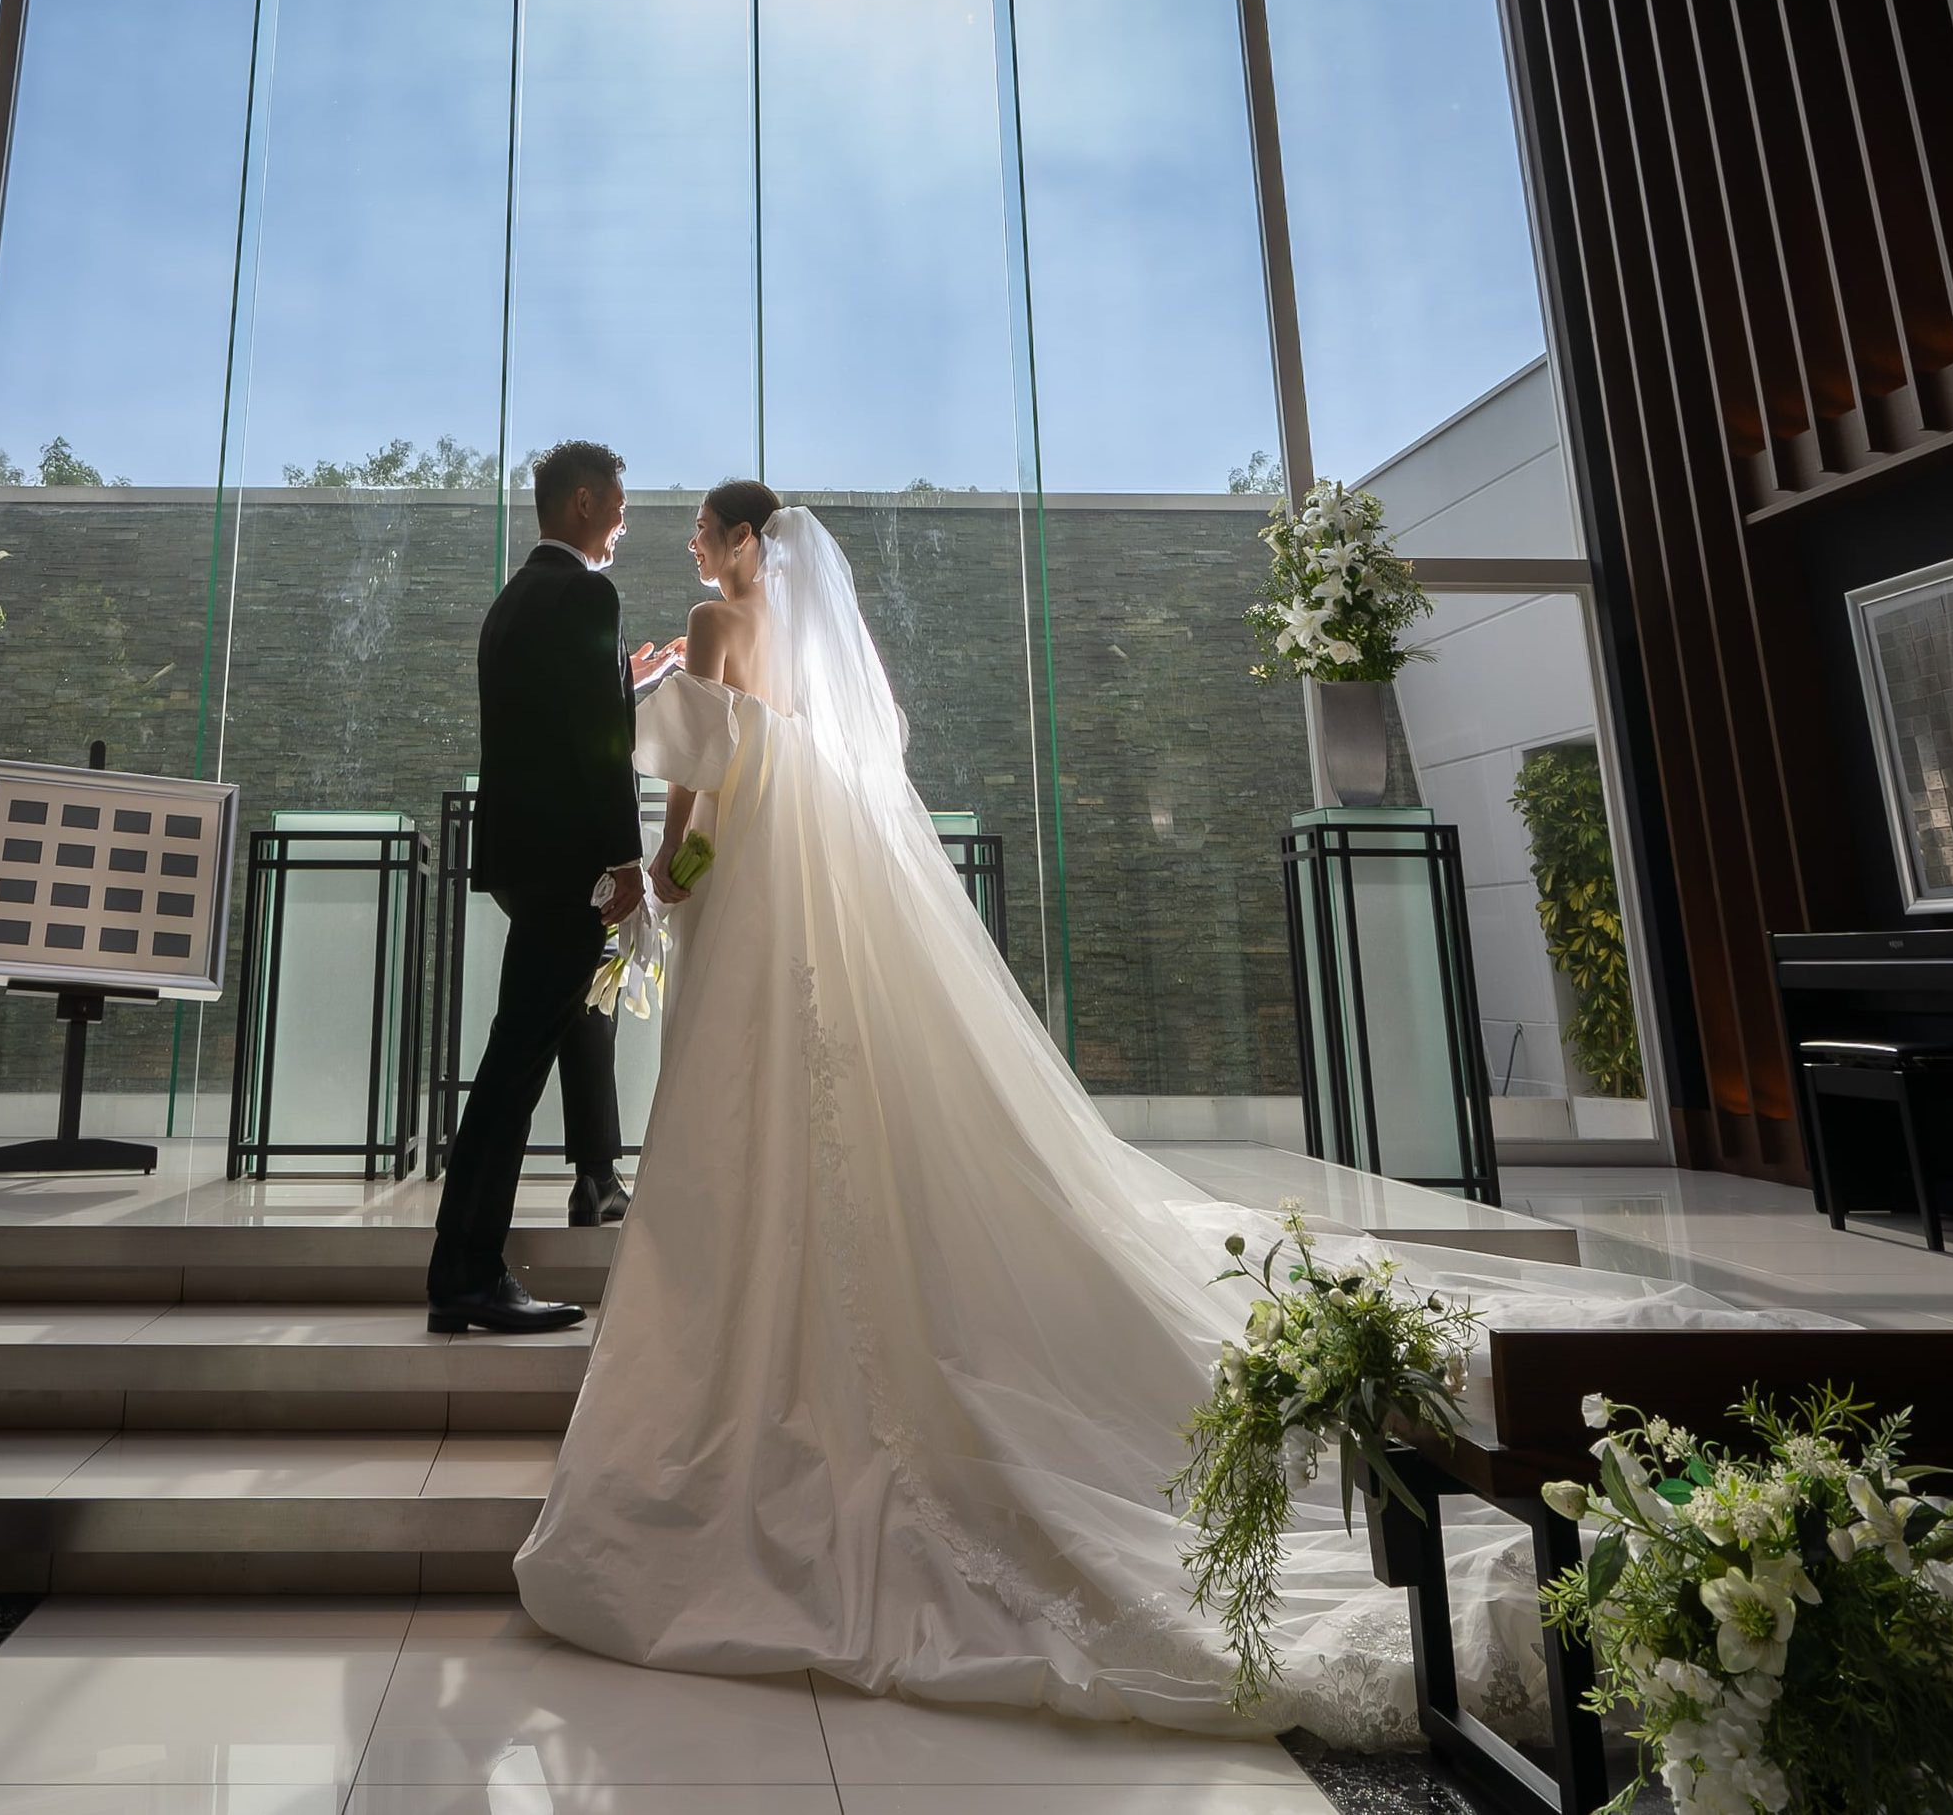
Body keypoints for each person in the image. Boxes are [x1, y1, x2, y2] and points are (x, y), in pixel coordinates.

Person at [514, 485, 1779, 1739]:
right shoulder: (794, 639)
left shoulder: (713, 619)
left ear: (745, 540)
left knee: (750, 1092)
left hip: (748, 882)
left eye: (705, 531)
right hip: (808, 879)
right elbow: (786, 740)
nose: (692, 545)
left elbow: (703, 778)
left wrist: (666, 861)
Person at [425, 439, 676, 1335]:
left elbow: (557, 715)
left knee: (520, 1055)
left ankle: (492, 1252)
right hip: (572, 867)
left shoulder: (514, 600)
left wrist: (626, 679)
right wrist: (623, 859)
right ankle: (466, 1275)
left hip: (519, 863)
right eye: (620, 506)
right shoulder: (587, 594)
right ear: (583, 503)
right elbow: (596, 744)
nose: (623, 524)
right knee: (511, 1072)